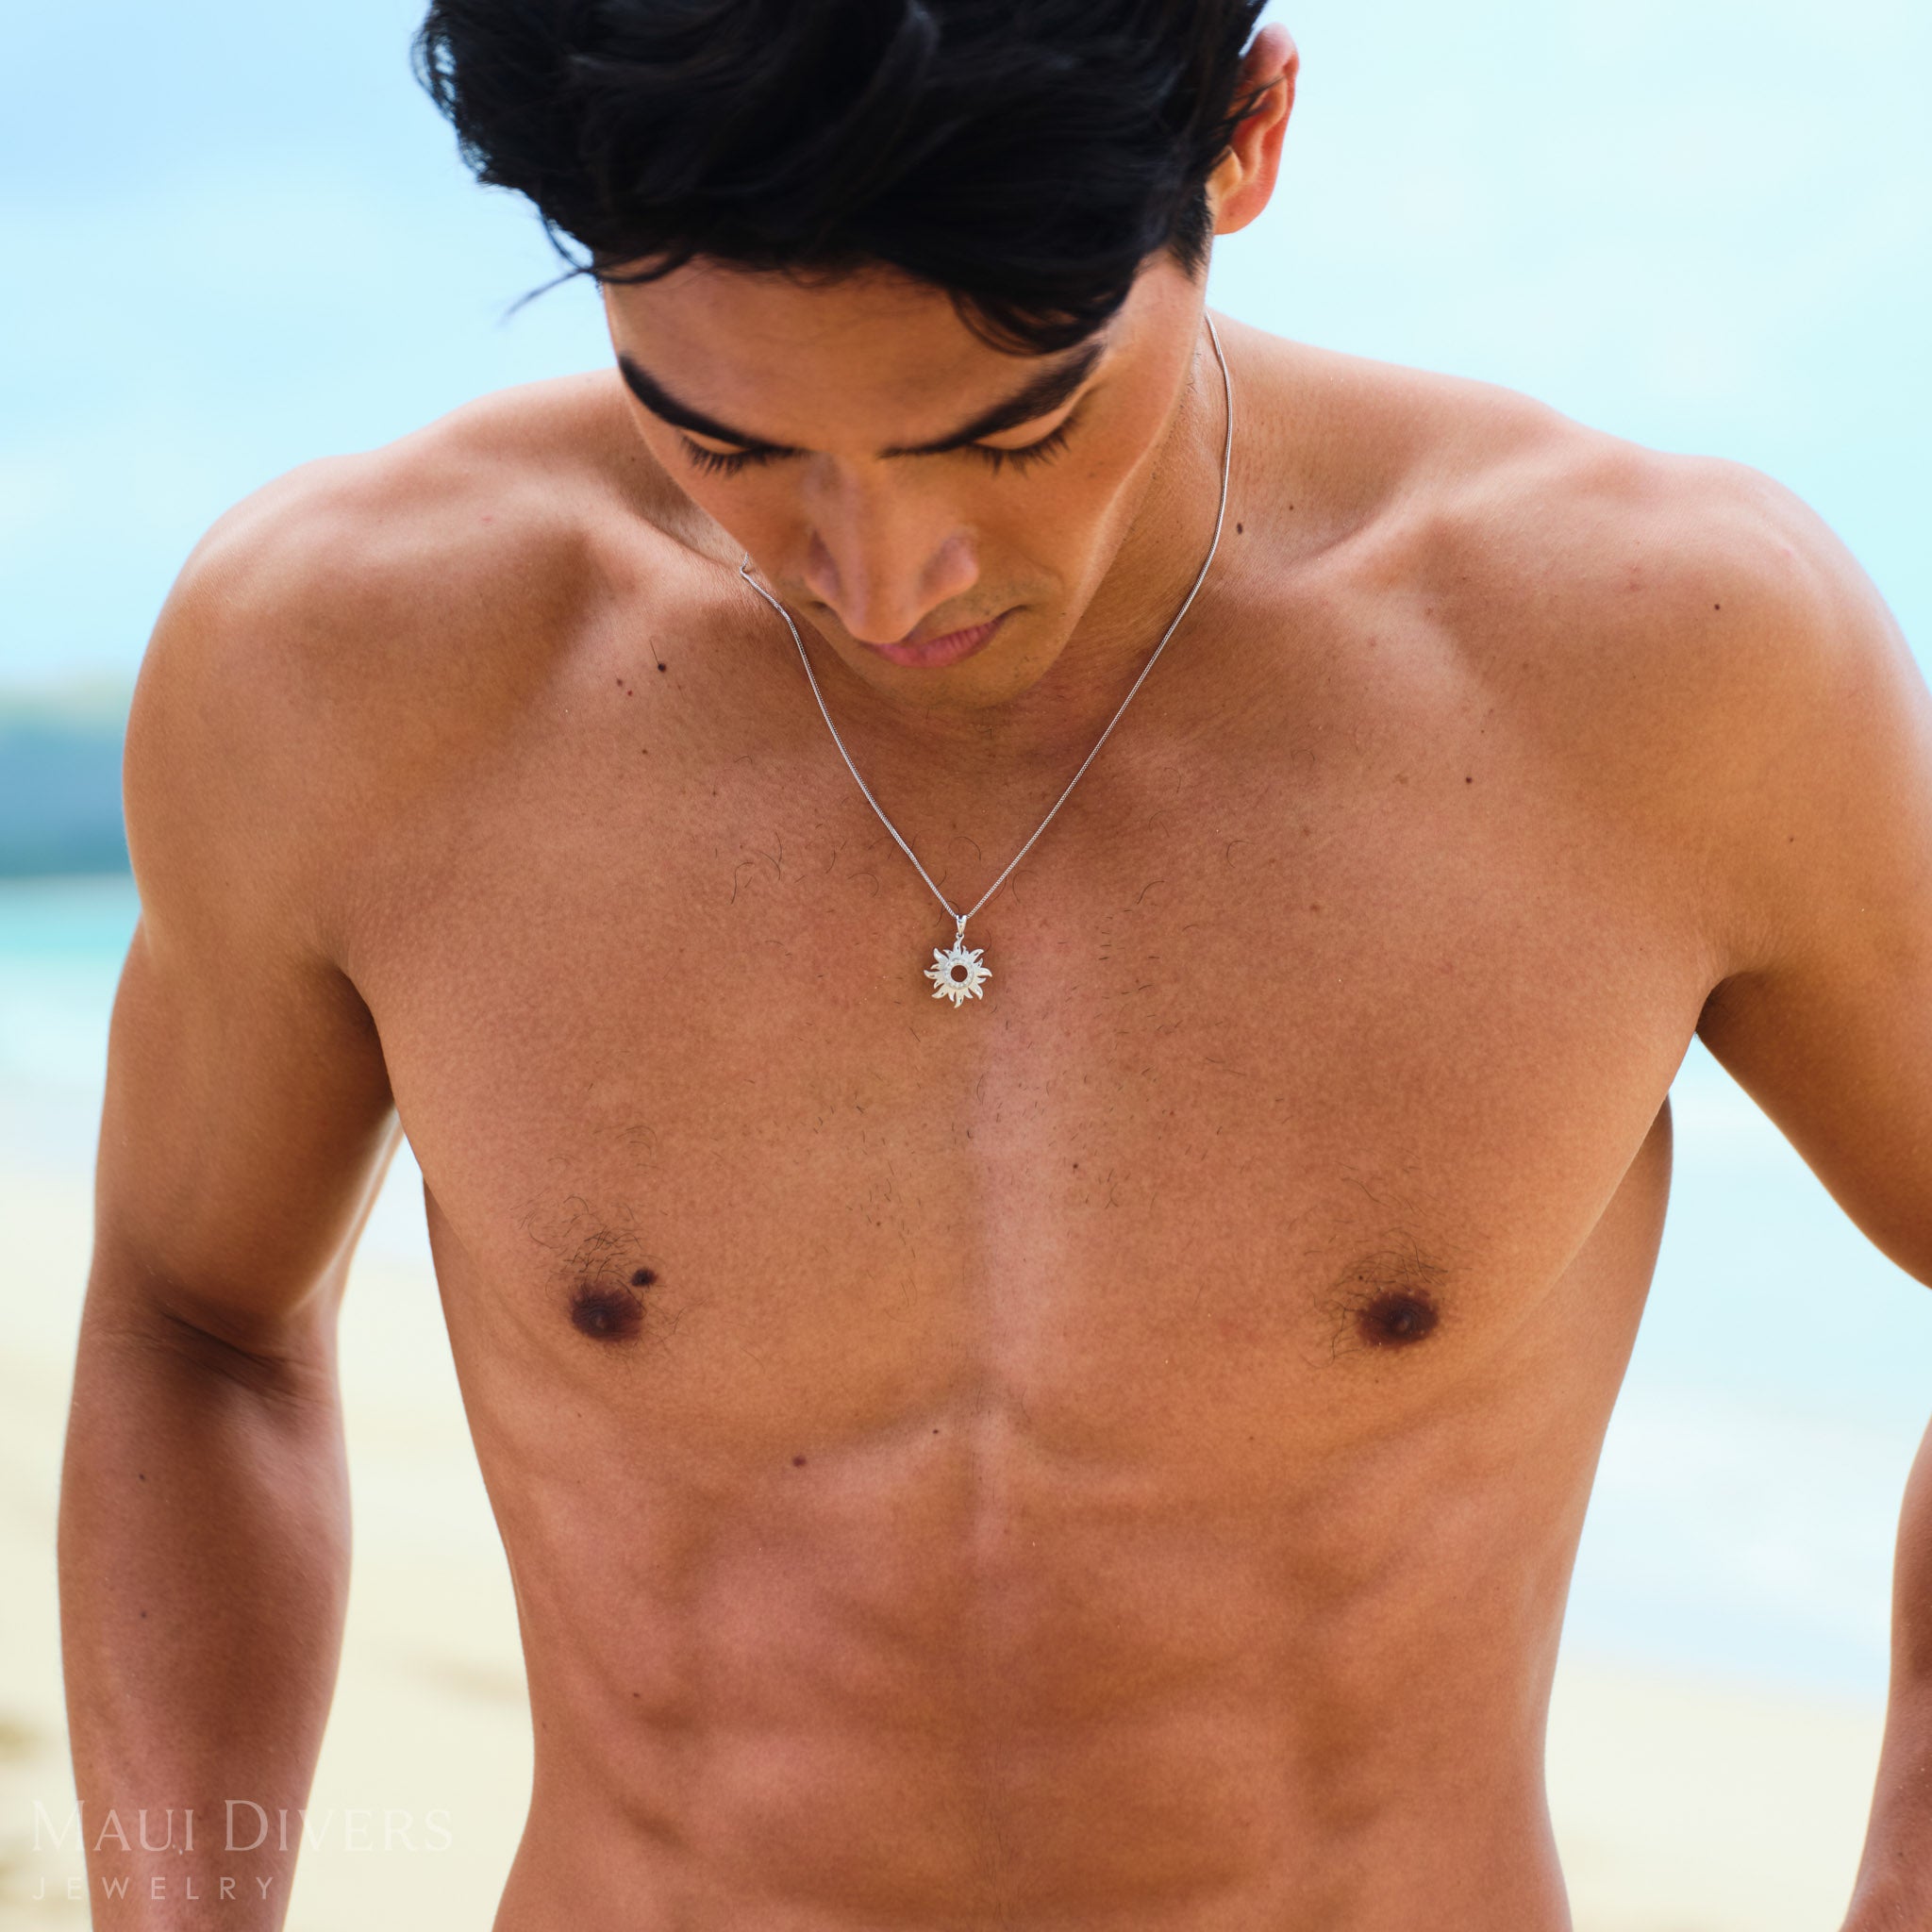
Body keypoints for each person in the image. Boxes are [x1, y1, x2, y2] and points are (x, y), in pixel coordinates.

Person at [57, 3, 1932, 1926]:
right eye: (726, 440)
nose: (883, 579)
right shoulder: (348, 665)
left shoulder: (1660, 662)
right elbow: (195, 1321)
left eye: (1010, 430)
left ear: (1246, 139)